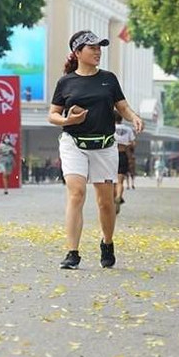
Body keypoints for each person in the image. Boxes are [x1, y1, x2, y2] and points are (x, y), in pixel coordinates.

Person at [48, 30, 143, 270]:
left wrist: (133, 117)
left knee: (105, 202)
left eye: (100, 47)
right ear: (78, 52)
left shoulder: (108, 79)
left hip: (104, 145)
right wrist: (68, 121)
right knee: (77, 193)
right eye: (92, 48)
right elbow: (53, 114)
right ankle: (72, 252)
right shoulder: (66, 82)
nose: (98, 51)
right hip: (73, 143)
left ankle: (107, 242)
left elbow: (122, 106)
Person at [113, 112, 136, 209]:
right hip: (123, 155)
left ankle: (113, 199)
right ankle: (118, 196)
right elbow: (133, 143)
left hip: (111, 155)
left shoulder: (110, 128)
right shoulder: (128, 129)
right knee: (120, 181)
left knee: (111, 181)